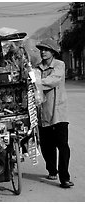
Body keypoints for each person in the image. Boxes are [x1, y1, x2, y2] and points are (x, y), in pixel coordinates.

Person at [35, 38, 74, 188]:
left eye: (46, 49)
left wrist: (35, 83)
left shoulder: (59, 65)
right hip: (43, 112)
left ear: (52, 52)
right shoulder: (37, 69)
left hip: (59, 112)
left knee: (63, 145)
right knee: (46, 145)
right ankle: (52, 169)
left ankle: (64, 177)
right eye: (41, 49)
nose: (43, 52)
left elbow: (53, 80)